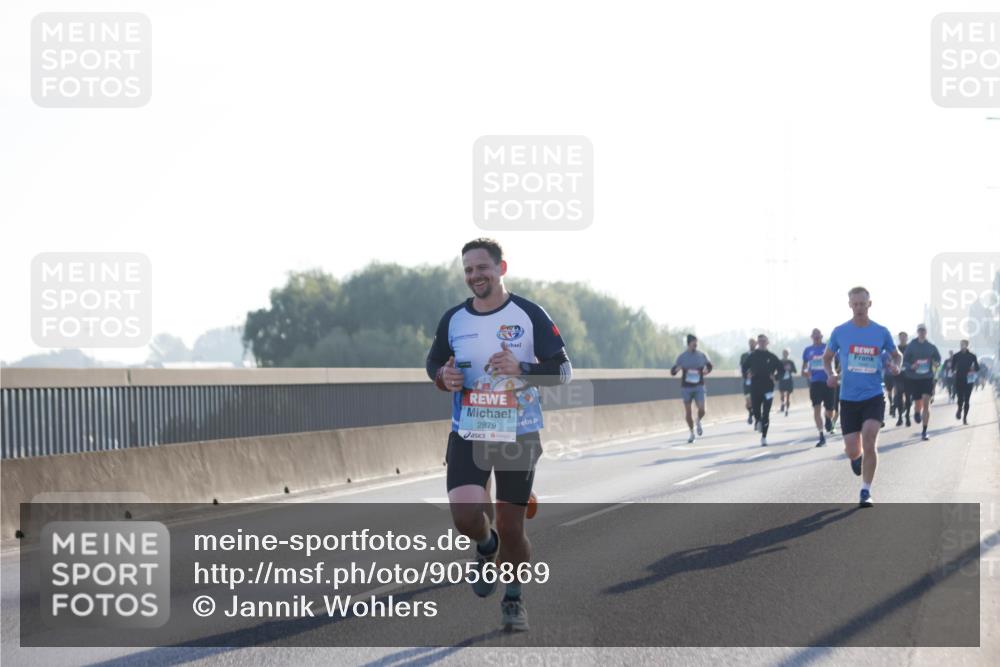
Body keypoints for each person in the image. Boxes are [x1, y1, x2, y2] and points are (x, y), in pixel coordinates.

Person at [426, 238, 572, 632]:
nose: (475, 276)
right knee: (465, 517)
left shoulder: (529, 314)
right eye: (468, 270)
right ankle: (485, 546)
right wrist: (444, 376)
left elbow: (562, 371)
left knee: (512, 527)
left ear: (501, 268)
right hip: (468, 431)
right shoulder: (454, 319)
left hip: (518, 433)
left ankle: (513, 597)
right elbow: (434, 362)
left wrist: (521, 368)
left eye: (482, 268)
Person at [824, 287, 900, 507]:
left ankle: (866, 491)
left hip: (874, 394)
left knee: (869, 437)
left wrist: (896, 366)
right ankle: (856, 459)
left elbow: (897, 355)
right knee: (852, 449)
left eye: (862, 304)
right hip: (848, 398)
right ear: (850, 305)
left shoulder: (881, 331)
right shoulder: (840, 332)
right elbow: (827, 357)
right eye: (855, 304)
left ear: (869, 304)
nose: (859, 308)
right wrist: (831, 374)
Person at [670, 334, 714, 443]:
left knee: (702, 409)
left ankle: (698, 420)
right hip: (686, 388)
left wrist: (706, 371)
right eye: (694, 343)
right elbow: (672, 372)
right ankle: (691, 432)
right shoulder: (682, 357)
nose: (696, 345)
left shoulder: (701, 355)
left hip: (699, 386)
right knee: (688, 413)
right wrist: (677, 369)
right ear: (689, 343)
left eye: (697, 343)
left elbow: (710, 366)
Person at [741, 333, 783, 446]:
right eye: (760, 341)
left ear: (767, 342)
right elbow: (744, 367)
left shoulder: (772, 356)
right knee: (756, 410)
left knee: (766, 413)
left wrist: (776, 377)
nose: (762, 343)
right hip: (755, 387)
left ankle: (764, 437)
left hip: (768, 388)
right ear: (757, 343)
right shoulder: (753, 356)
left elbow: (781, 369)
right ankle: (757, 420)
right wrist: (747, 374)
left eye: (764, 341)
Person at [902, 324, 941, 441]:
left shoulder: (931, 346)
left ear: (926, 332)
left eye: (923, 330)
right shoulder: (911, 346)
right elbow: (904, 362)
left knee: (926, 404)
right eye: (920, 330)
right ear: (917, 332)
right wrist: (912, 365)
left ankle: (924, 431)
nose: (922, 332)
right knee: (917, 403)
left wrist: (936, 363)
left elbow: (938, 359)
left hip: (927, 378)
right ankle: (916, 412)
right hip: (914, 378)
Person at [802, 328, 835, 446]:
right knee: (816, 408)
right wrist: (805, 373)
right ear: (811, 337)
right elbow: (804, 368)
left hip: (828, 382)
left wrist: (834, 374)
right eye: (814, 336)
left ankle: (828, 419)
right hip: (815, 383)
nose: (816, 338)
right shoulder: (807, 351)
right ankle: (821, 436)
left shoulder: (828, 347)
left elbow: (835, 360)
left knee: (830, 410)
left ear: (821, 336)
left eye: (818, 336)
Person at [951, 340, 980, 425]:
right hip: (959, 379)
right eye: (961, 344)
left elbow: (978, 368)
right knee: (960, 398)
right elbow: (952, 368)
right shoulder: (956, 356)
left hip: (969, 380)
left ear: (967, 345)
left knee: (967, 400)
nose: (962, 346)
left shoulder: (972, 356)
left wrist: (973, 368)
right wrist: (954, 371)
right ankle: (959, 409)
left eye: (964, 344)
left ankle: (965, 418)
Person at [893, 331, 912, 427]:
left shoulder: (911, 348)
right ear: (899, 338)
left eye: (904, 337)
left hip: (909, 376)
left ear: (907, 338)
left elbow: (914, 360)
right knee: (899, 397)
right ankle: (900, 417)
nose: (903, 338)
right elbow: (891, 359)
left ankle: (907, 416)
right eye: (901, 337)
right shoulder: (896, 348)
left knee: (908, 397)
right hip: (898, 376)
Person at [740, 338, 757, 427]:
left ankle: (757, 418)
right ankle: (751, 413)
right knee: (748, 402)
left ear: (756, 344)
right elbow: (741, 368)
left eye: (753, 343)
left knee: (756, 401)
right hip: (747, 382)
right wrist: (746, 375)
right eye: (750, 343)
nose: (752, 345)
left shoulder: (759, 355)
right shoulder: (744, 356)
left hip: (757, 382)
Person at [778, 349, 796, 416]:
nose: (785, 354)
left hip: (789, 381)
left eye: (786, 353)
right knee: (782, 395)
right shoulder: (779, 362)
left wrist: (790, 368)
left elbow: (795, 371)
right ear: (782, 354)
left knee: (788, 396)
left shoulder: (790, 362)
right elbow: (777, 370)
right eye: (784, 353)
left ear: (788, 354)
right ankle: (782, 403)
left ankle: (787, 410)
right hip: (782, 380)